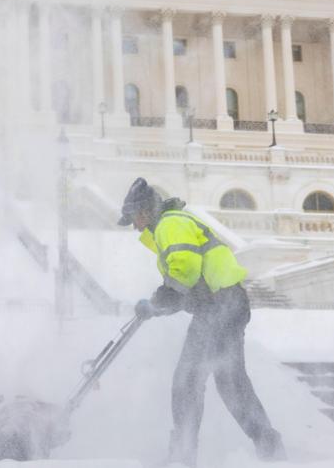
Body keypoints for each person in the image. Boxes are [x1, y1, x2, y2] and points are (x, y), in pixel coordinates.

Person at [118, 177, 285, 466]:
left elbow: (186, 271)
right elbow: (187, 286)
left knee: (187, 381)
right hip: (226, 305)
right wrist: (160, 305)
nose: (135, 225)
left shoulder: (170, 224)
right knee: (230, 382)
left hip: (219, 307)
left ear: (145, 210)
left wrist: (157, 302)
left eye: (134, 218)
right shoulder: (173, 223)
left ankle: (183, 455)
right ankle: (269, 446)